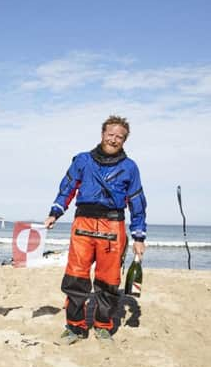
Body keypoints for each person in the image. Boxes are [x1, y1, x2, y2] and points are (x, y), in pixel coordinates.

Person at [44, 115, 146, 344]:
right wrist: (55, 213)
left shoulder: (130, 167)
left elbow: (137, 202)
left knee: (109, 281)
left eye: (119, 137)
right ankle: (75, 327)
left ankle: (102, 326)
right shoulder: (82, 160)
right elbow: (67, 188)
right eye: (110, 134)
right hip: (83, 224)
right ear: (102, 134)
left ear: (124, 140)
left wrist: (139, 237)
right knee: (76, 278)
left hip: (113, 225)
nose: (114, 139)